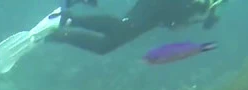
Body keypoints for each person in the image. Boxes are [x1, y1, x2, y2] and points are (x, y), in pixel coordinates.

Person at [48, 0, 223, 56]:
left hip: (153, 15)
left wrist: (207, 17)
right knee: (118, 32)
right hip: (154, 7)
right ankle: (66, 26)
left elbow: (180, 21)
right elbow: (177, 16)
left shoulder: (206, 6)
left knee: (108, 43)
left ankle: (66, 28)